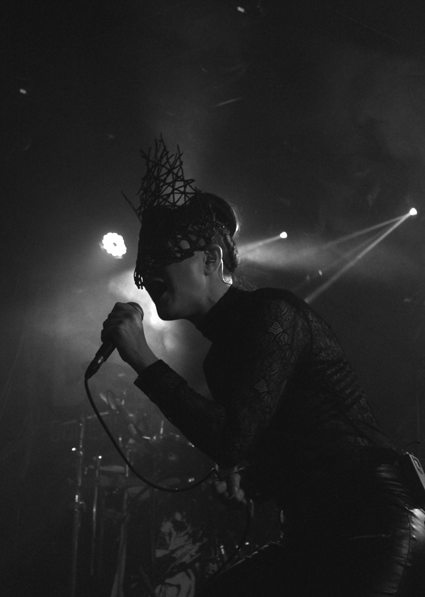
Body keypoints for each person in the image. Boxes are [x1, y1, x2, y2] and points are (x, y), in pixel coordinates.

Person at [101, 138, 425, 596]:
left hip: (369, 518)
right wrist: (253, 478)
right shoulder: (220, 357)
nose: (150, 274)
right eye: (146, 262)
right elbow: (285, 438)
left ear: (212, 260)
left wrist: (143, 360)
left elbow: (232, 439)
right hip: (312, 531)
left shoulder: (272, 313)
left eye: (165, 257)